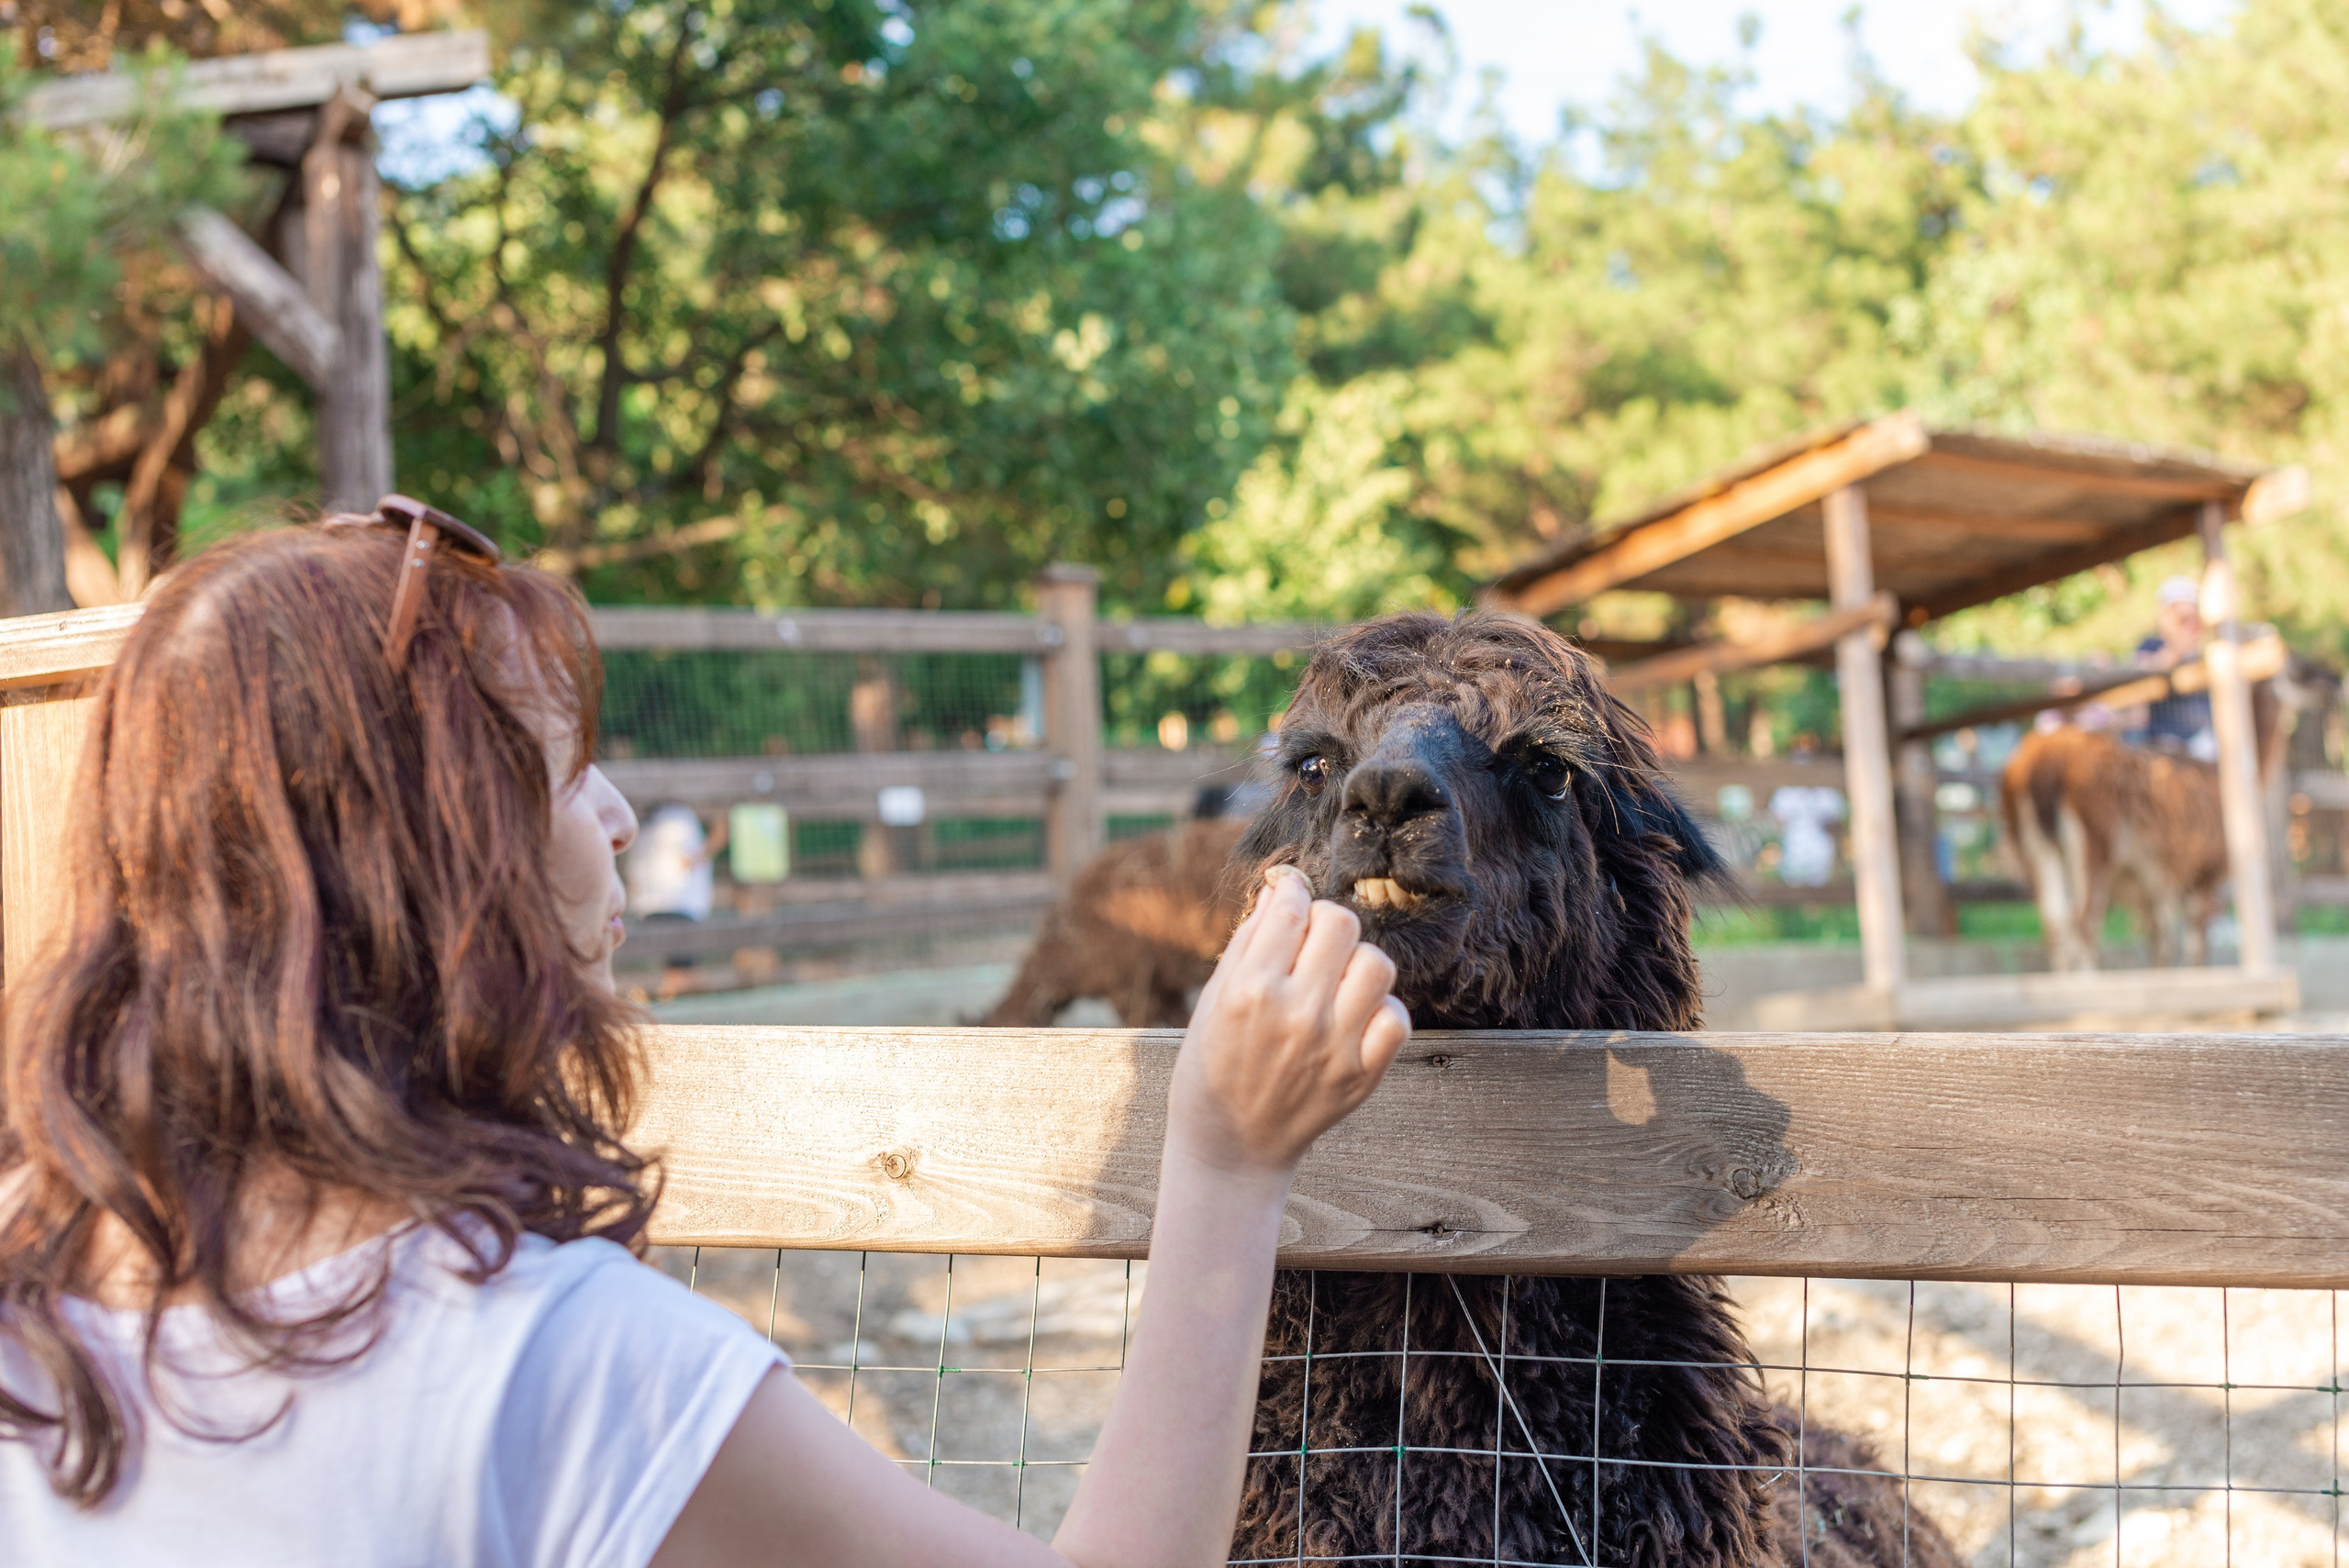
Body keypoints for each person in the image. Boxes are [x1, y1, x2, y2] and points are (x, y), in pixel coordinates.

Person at [0, 505, 1411, 1566]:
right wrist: (1226, 1163)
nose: (619, 813)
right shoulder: (559, 1362)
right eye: (565, 771)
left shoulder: (34, 1278)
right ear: (439, 869)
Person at [2125, 573, 2216, 758]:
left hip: (2203, 742)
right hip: (2165, 740)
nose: (2190, 625)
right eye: (2182, 618)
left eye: (2193, 618)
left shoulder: (2202, 654)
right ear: (2165, 615)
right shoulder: (2150, 647)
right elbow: (2143, 677)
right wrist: (2177, 649)